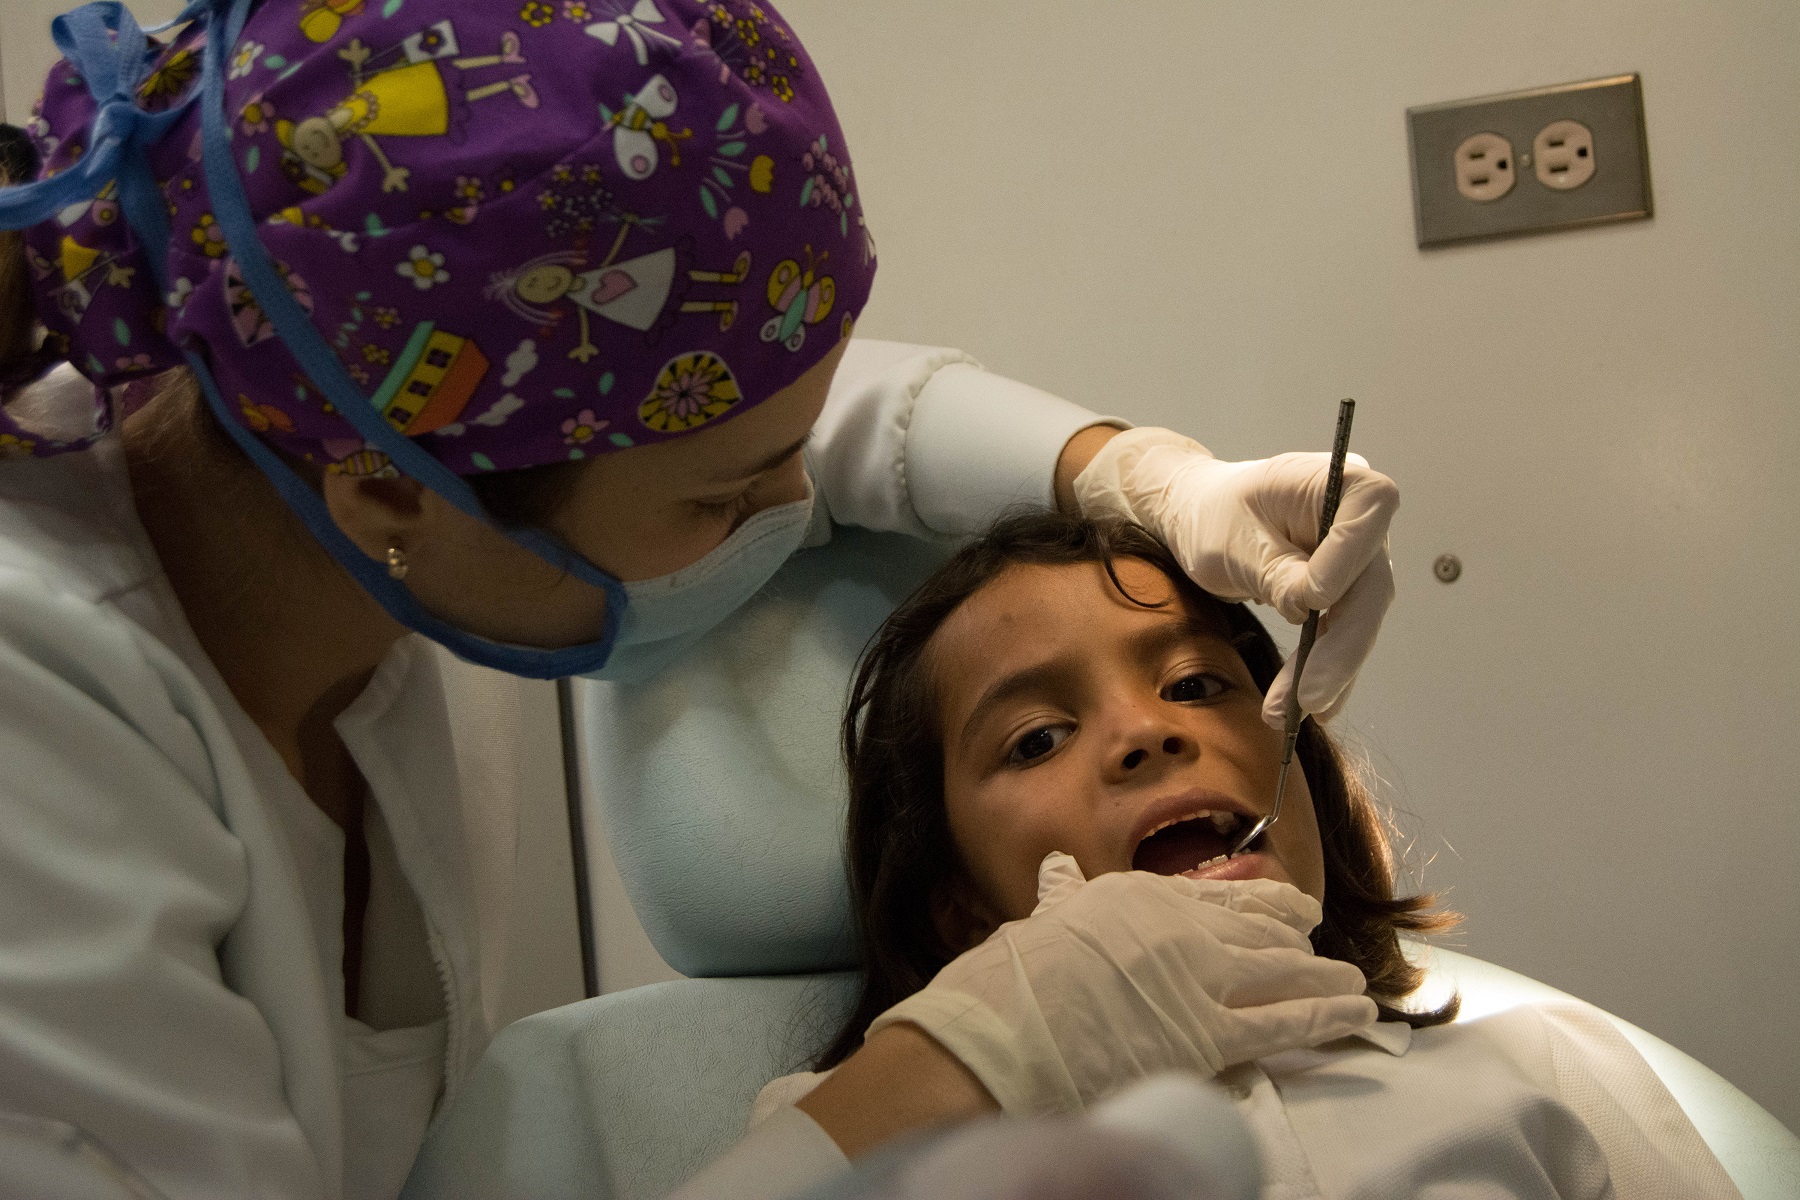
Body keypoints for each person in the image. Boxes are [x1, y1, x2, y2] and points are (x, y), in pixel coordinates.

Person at [0, 1, 1403, 1196]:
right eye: (727, 504)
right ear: (391, 497)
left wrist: (1143, 477)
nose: (795, 521)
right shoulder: (42, 743)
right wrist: (942, 1072)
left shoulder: (354, 432)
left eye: (1194, 678)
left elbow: (704, 383)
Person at [727, 511, 1740, 1198]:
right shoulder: (873, 1125)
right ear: (960, 911)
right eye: (1036, 737)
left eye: (1199, 684)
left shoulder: (1541, 1063)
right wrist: (978, 1054)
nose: (1147, 732)